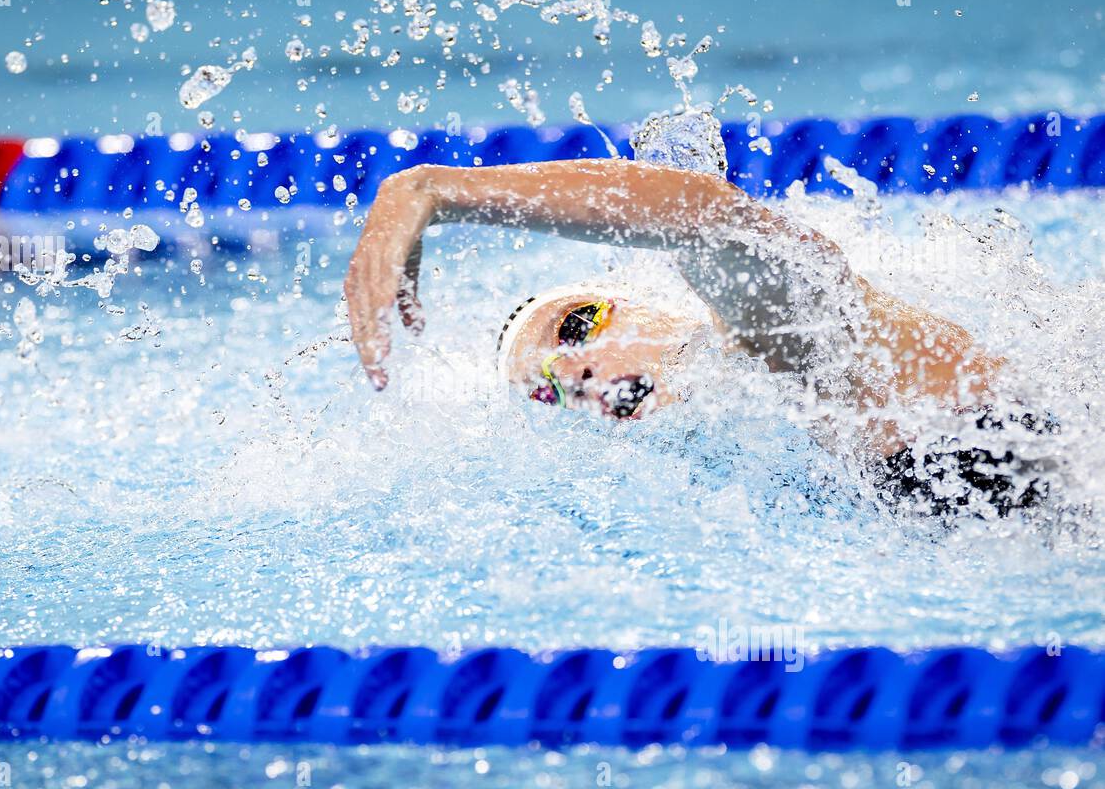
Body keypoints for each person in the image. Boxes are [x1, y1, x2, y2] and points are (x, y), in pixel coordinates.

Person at [343, 158, 1056, 516]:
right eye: (548, 387)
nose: (577, 371)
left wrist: (429, 191)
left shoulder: (778, 341)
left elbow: (703, 213)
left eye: (577, 325)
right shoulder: (759, 463)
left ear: (646, 305)